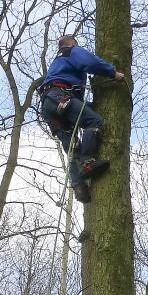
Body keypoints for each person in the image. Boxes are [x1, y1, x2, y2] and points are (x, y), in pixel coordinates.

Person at [39, 33, 125, 202]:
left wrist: (92, 106)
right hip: (61, 95)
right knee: (93, 121)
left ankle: (79, 187)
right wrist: (113, 73)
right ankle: (87, 162)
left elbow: (77, 106)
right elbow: (90, 62)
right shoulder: (71, 51)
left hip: (49, 105)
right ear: (72, 43)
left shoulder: (57, 64)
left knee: (72, 148)